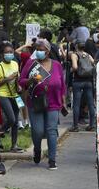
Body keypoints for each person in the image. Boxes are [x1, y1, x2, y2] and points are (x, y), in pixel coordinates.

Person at [19, 39, 66, 171]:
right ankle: (37, 149)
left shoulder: (56, 65)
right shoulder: (30, 64)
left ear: (48, 51)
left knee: (51, 130)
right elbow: (21, 81)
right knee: (38, 131)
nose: (39, 52)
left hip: (53, 102)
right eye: (37, 49)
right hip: (36, 102)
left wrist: (63, 100)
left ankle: (52, 160)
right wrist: (30, 80)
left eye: (42, 49)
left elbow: (62, 84)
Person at [0, 43, 24, 153]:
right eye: (7, 52)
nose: (9, 54)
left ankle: (14, 145)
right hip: (3, 94)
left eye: (11, 52)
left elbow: (17, 79)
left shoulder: (15, 64)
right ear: (2, 54)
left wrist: (18, 86)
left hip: (14, 94)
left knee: (15, 122)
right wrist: (7, 79)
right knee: (11, 119)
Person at [70, 43, 96, 133]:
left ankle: (75, 126)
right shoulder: (88, 55)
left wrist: (71, 70)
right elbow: (94, 63)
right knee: (90, 103)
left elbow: (75, 66)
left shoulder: (75, 54)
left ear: (77, 46)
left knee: (76, 104)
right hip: (88, 81)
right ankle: (92, 125)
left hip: (78, 81)